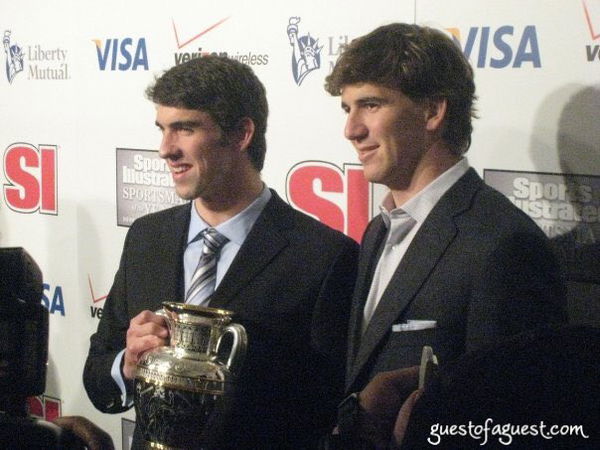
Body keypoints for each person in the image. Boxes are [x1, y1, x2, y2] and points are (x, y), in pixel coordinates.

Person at [83, 56, 358, 449]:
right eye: (162, 129)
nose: (165, 149)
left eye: (185, 128)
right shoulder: (147, 237)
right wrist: (126, 366)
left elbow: (328, 412)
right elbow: (97, 373)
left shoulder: (323, 257)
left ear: (242, 133)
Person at [323, 23, 566, 446]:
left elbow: (511, 422)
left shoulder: (504, 246)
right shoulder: (378, 231)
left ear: (433, 112)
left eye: (371, 105)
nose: (352, 130)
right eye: (347, 109)